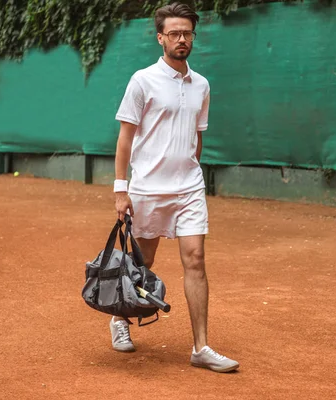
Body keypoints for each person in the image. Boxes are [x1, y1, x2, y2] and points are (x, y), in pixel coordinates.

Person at [110, 2, 239, 373]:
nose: (182, 39)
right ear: (161, 38)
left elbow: (198, 137)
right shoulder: (142, 80)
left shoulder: (202, 85)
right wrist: (122, 190)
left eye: (188, 33)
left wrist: (190, 169)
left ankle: (201, 347)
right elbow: (124, 139)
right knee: (143, 262)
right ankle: (120, 319)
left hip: (189, 188)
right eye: (175, 33)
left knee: (195, 260)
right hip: (148, 188)